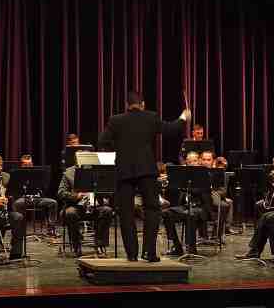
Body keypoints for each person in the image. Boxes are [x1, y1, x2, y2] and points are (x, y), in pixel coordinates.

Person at [98, 90, 189, 262]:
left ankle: (131, 254)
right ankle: (149, 252)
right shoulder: (151, 117)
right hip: (147, 170)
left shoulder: (116, 120)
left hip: (124, 171)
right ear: (143, 104)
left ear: (126, 105)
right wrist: (183, 117)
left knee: (126, 213)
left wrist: (120, 147)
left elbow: (102, 141)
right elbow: (170, 129)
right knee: (152, 210)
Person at [162, 151, 212, 255]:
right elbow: (174, 191)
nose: (192, 163)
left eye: (194, 161)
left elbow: (204, 191)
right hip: (185, 206)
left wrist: (185, 186)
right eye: (189, 161)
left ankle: (192, 249)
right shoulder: (183, 175)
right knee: (166, 213)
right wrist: (171, 182)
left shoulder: (205, 173)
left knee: (191, 214)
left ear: (198, 161)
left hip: (201, 207)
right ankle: (177, 246)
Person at [58, 164, 113, 257]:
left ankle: (99, 243)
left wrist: (99, 192)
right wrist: (76, 196)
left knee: (107, 211)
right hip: (76, 206)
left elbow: (108, 190)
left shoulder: (97, 171)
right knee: (70, 213)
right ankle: (76, 244)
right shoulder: (69, 173)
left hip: (95, 206)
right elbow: (61, 192)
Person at [11, 154, 58, 236]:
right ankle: (19, 229)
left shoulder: (38, 173)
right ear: (22, 165)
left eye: (30, 164)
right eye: (26, 165)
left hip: (37, 199)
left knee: (53, 202)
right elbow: (14, 190)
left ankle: (51, 228)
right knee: (16, 203)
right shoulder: (17, 174)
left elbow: (44, 187)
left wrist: (41, 189)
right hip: (24, 198)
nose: (28, 166)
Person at [200, 150, 237, 235]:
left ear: (212, 161)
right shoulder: (196, 172)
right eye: (204, 159)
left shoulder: (217, 172)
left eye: (208, 160)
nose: (206, 162)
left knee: (225, 205)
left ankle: (217, 234)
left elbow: (223, 191)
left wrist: (215, 193)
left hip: (214, 198)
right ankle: (204, 234)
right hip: (200, 199)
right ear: (200, 160)